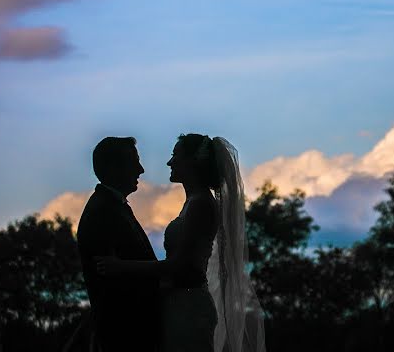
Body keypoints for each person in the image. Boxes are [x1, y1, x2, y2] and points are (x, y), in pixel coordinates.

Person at [96, 134, 265, 352]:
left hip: (189, 307)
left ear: (193, 162)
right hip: (180, 303)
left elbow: (180, 265)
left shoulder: (201, 205)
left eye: (176, 155)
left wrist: (121, 267)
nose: (170, 162)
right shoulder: (193, 203)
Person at [77, 136, 160, 352]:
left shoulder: (113, 206)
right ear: (114, 167)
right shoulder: (102, 211)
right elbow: (112, 282)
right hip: (127, 334)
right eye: (134, 162)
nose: (140, 170)